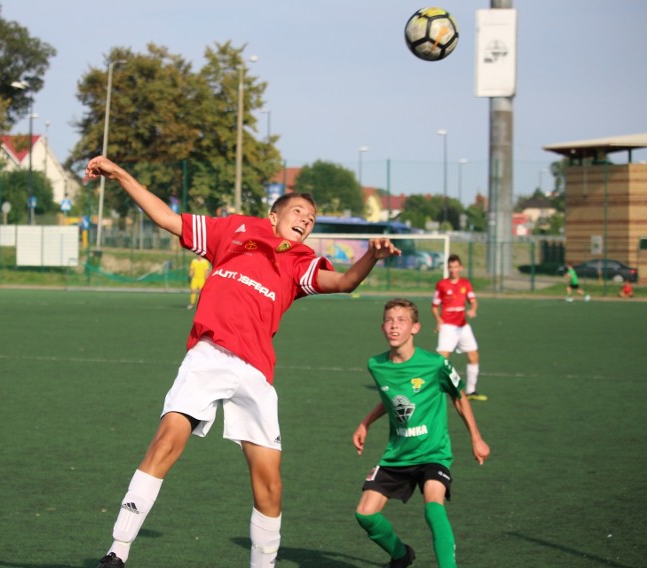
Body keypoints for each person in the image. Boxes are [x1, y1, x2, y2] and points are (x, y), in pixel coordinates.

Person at [84, 156, 401, 568]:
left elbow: (344, 282)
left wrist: (371, 257)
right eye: (299, 212)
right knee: (167, 440)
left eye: (312, 218)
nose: (306, 220)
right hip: (209, 355)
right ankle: (117, 551)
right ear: (273, 216)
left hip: (255, 372)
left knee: (269, 484)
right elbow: (166, 217)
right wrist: (122, 173)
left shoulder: (300, 261)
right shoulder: (233, 229)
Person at [352, 298, 490, 568]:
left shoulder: (435, 364)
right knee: (365, 515)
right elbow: (391, 398)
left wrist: (476, 437)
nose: (394, 326)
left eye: (401, 321)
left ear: (415, 328)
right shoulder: (377, 365)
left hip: (433, 452)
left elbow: (459, 396)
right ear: (382, 327)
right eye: (389, 321)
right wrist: (365, 422)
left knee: (433, 507)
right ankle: (401, 554)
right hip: (397, 455)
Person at [431, 255, 486, 402]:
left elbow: (473, 302)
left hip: (463, 326)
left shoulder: (466, 284)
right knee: (441, 359)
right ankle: (433, 389)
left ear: (460, 268)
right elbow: (434, 306)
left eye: (456, 267)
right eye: (450, 267)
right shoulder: (441, 285)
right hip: (448, 326)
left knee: (473, 355)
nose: (453, 270)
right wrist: (438, 320)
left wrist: (473, 310)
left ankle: (471, 391)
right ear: (448, 268)